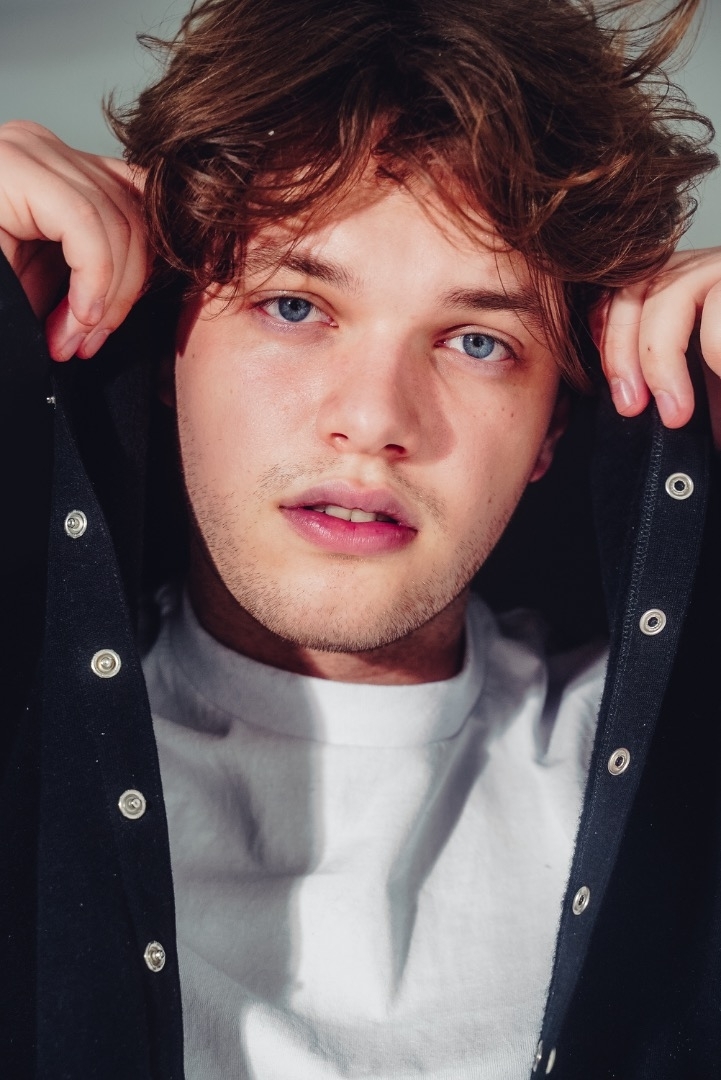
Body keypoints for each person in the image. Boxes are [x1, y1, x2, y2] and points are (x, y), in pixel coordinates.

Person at [1, 0, 721, 1077]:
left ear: (551, 428)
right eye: (294, 307)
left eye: (476, 341)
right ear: (169, 345)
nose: (376, 419)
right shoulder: (23, 752)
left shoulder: (688, 791)